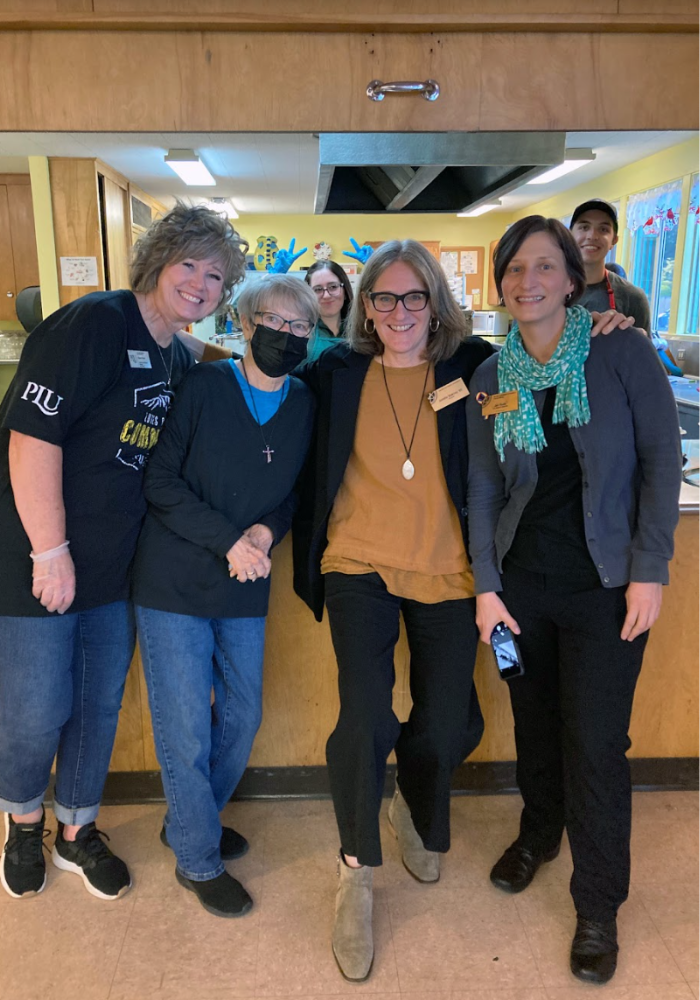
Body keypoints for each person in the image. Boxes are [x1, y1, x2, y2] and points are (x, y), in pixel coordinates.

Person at [0, 204, 247, 901]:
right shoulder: (95, 324)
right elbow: (31, 439)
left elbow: (212, 357)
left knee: (96, 705)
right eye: (189, 265)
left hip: (114, 566)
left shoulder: (171, 345)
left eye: (216, 276)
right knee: (34, 706)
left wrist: (273, 359)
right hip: (39, 559)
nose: (201, 284)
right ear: (159, 261)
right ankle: (22, 824)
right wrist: (50, 552)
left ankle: (78, 831)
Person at [466, 216, 681, 985]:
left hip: (607, 589)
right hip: (523, 590)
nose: (528, 282)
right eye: (515, 269)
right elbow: (485, 489)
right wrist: (486, 590)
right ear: (501, 285)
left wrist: (650, 568)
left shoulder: (621, 351)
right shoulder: (491, 379)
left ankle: (597, 904)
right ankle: (539, 830)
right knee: (534, 725)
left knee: (596, 743)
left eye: (545, 267)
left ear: (573, 278)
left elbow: (662, 461)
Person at [293, 239, 493, 982]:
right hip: (358, 562)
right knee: (365, 715)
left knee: (448, 723)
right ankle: (355, 869)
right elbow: (263, 374)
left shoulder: (470, 367)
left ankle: (409, 797)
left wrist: (598, 328)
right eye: (385, 298)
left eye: (414, 298)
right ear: (362, 305)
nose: (400, 312)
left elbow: (535, 393)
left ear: (434, 302)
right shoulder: (336, 371)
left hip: (448, 567)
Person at [132, 274, 317, 918]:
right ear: (245, 324)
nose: (288, 337)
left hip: (247, 578)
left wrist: (265, 532)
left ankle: (189, 817)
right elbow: (160, 480)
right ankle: (197, 857)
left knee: (242, 716)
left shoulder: (303, 403)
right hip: (174, 580)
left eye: (302, 327)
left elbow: (295, 491)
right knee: (183, 728)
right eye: (276, 322)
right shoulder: (204, 386)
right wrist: (231, 541)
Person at [570, 198, 652, 334]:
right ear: (569, 235)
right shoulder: (548, 291)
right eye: (584, 227)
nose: (592, 235)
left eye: (603, 229)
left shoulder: (632, 297)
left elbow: (644, 354)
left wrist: (638, 341)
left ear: (614, 240)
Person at [304, 259, 354, 360]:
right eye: (318, 289)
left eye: (333, 287)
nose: (326, 295)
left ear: (345, 291)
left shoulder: (363, 330)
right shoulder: (299, 331)